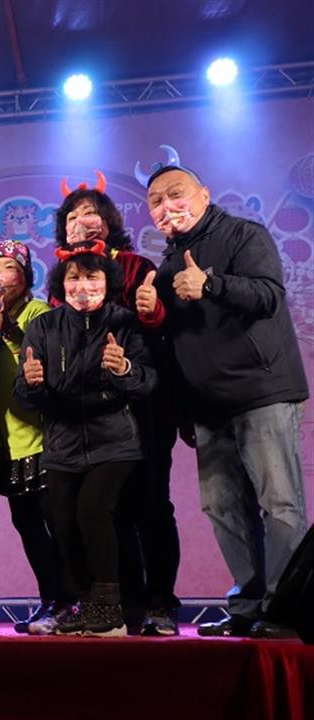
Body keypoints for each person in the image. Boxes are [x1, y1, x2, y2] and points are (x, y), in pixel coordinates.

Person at [144, 164, 309, 639]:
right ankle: (248, 604)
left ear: (203, 194)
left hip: (262, 392)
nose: (167, 206)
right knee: (222, 507)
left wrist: (212, 284)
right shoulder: (166, 265)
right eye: (156, 201)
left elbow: (269, 295)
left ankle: (286, 611)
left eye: (176, 194)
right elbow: (177, 344)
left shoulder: (244, 235)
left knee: (280, 505)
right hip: (207, 407)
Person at [54, 177, 181, 636]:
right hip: (90, 415)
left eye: (90, 212)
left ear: (108, 220)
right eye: (72, 216)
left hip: (143, 405)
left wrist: (151, 312)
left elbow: (164, 332)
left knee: (150, 503)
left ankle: (161, 603)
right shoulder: (62, 277)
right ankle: (122, 604)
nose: (81, 221)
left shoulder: (137, 266)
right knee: (105, 511)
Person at [16, 240, 156, 637]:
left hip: (114, 441)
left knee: (93, 511)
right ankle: (84, 603)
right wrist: (31, 384)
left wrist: (124, 369)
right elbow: (22, 395)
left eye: (92, 277)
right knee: (62, 521)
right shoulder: (43, 326)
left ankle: (111, 610)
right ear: (61, 283)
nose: (82, 286)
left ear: (107, 281)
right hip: (61, 445)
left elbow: (148, 381)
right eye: (74, 277)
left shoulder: (125, 323)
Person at [0, 241, 61, 635]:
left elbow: (44, 360)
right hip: (9, 444)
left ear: (26, 274)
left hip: (42, 440)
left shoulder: (39, 312)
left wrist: (8, 331)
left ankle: (72, 599)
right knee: (28, 528)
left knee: (57, 525)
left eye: (9, 267)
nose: (1, 275)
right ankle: (52, 599)